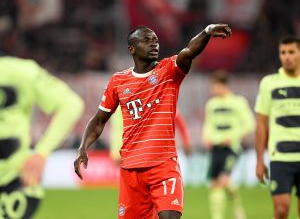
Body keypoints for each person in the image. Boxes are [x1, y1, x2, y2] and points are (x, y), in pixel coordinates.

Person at [74, 24, 231, 219]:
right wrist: (83, 148)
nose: (153, 44)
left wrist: (206, 32)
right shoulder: (118, 81)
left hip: (163, 166)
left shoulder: (169, 71)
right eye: (146, 40)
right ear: (132, 48)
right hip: (131, 171)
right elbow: (99, 120)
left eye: (155, 40)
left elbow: (188, 52)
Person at [0, 56, 84, 219]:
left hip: (15, 181)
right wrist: (41, 152)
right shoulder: (22, 70)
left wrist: (41, 153)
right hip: (15, 185)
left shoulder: (21, 71)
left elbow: (72, 105)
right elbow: (72, 104)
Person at [255, 36, 300, 219]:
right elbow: (261, 123)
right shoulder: (269, 83)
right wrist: (259, 160)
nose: (287, 56)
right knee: (281, 211)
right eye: (283, 53)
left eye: (291, 52)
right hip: (280, 157)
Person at [202, 70, 255, 219]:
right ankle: (217, 216)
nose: (212, 90)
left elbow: (250, 124)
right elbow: (208, 124)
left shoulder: (238, 102)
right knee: (215, 184)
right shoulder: (211, 104)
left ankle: (237, 207)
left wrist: (232, 136)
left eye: (214, 86)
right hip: (215, 147)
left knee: (224, 180)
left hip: (232, 147)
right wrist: (206, 137)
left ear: (222, 85)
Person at [110, 107, 191, 165]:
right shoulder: (119, 107)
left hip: (159, 151)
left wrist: (186, 141)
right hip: (133, 148)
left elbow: (180, 122)